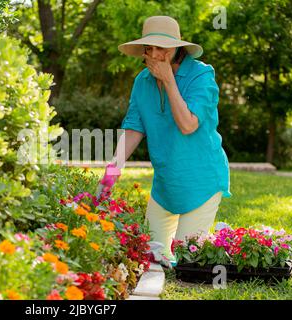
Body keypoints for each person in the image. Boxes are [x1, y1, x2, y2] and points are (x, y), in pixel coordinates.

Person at [96, 16, 232, 266]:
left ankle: (225, 241)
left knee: (187, 262)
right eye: (150, 48)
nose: (155, 55)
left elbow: (188, 124)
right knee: (149, 257)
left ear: (177, 49)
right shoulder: (142, 81)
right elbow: (134, 127)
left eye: (163, 48)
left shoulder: (201, 76)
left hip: (202, 182)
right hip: (165, 184)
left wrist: (169, 80)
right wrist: (112, 171)